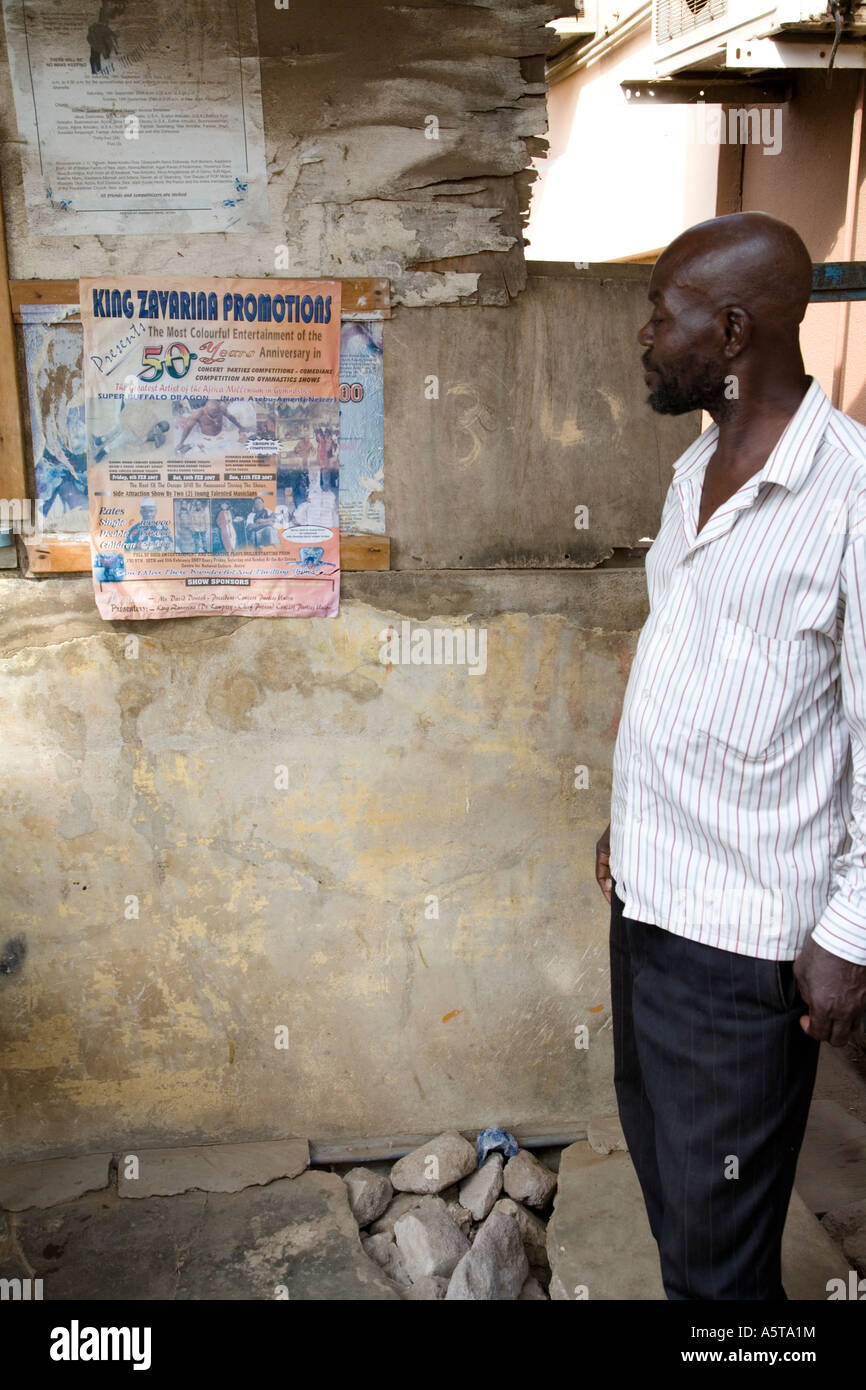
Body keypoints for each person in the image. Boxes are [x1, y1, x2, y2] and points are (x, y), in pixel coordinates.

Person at [595, 211, 866, 1301]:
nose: (644, 337)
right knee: (678, 1217)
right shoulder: (694, 467)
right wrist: (631, 816)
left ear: (733, 329)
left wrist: (849, 931)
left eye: (661, 317)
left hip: (739, 945)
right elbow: (692, 658)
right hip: (646, 908)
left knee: (719, 1266)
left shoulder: (848, 495)